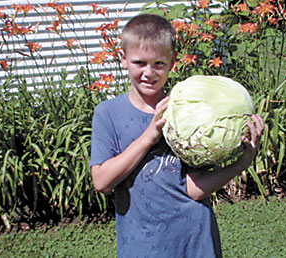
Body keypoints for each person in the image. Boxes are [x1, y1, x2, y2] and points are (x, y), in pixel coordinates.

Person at [90, 14, 264, 258]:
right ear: (123, 60)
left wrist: (243, 161)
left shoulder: (187, 113)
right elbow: (102, 181)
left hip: (195, 241)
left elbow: (192, 189)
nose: (148, 73)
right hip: (142, 245)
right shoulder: (108, 113)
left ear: (172, 64)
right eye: (139, 62)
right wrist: (150, 135)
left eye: (159, 64)